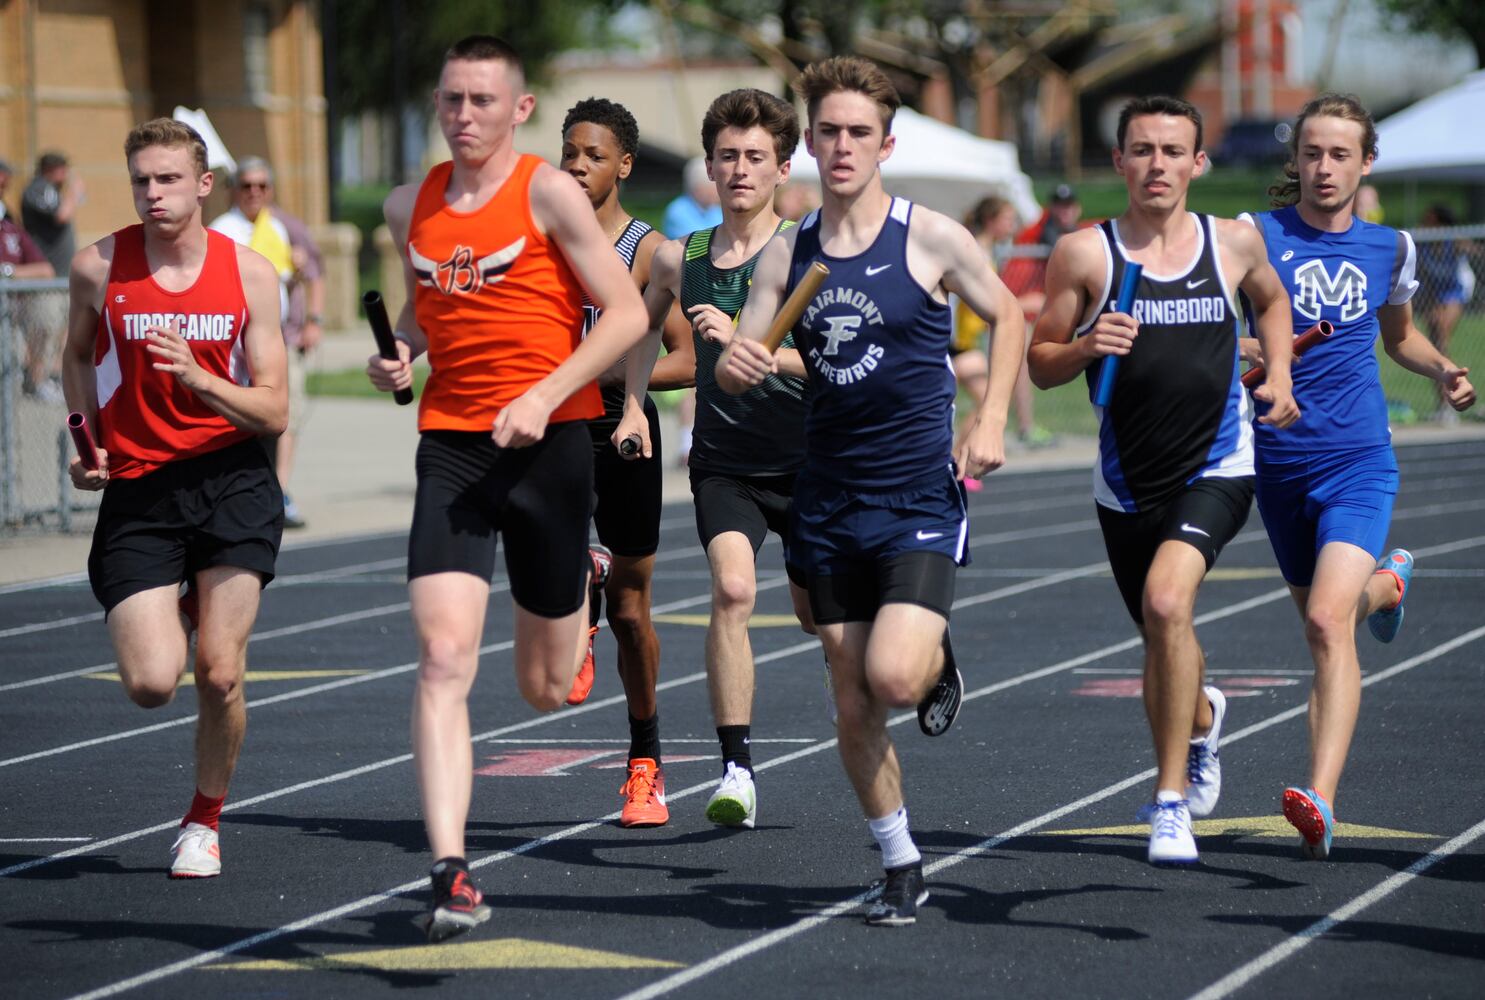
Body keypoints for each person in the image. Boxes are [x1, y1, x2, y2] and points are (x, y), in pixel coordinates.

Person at [716, 57, 1023, 925]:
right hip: (827, 501)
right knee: (849, 691)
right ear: (807, 143)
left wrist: (991, 415)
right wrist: (739, 364)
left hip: (917, 495)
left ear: (885, 143)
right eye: (828, 131)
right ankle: (899, 860)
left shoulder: (928, 237)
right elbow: (747, 359)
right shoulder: (789, 250)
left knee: (891, 676)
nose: (842, 145)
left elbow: (1008, 313)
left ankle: (931, 655)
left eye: (859, 132)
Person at [365, 35, 646, 943]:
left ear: (518, 108)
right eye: (452, 100)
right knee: (444, 657)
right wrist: (401, 351)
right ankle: (449, 871)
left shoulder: (549, 192)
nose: (464, 116)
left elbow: (629, 315)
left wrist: (543, 393)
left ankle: (584, 584)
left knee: (543, 685)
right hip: (451, 447)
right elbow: (424, 304)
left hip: (550, 447)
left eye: (483, 101)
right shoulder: (410, 202)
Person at [1027, 95, 1300, 867]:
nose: (1157, 165)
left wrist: (1276, 372)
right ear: (1117, 162)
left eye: (1172, 151)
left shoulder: (1233, 244)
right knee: (1161, 633)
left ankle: (1169, 800)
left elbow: (1273, 304)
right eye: (1141, 150)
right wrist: (1083, 347)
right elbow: (1039, 362)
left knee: (1165, 601)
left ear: (1197, 162)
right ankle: (1205, 716)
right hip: (1124, 482)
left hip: (1217, 465)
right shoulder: (1085, 254)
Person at [1238, 95, 1475, 860]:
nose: (1324, 167)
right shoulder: (1252, 238)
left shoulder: (1392, 248)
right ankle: (1390, 584)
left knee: (1321, 625)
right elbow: (1213, 332)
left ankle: (1320, 798)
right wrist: (1256, 355)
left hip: (1357, 459)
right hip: (1276, 462)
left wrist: (1441, 369)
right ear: (1295, 161)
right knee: (1328, 621)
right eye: (1312, 153)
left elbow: (1399, 340)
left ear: (1364, 162)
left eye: (1340, 154)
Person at [60, 119, 288, 879]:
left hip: (233, 480)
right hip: (141, 489)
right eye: (140, 181)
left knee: (219, 672)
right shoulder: (98, 267)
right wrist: (83, 440)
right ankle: (185, 603)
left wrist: (200, 379)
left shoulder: (250, 273)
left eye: (166, 179)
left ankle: (203, 821)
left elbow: (274, 410)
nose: (152, 194)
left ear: (202, 184)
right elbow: (72, 353)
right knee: (153, 682)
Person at [615, 87, 816, 834]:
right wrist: (635, 406)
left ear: (781, 167)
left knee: (817, 621)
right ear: (708, 164)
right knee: (731, 590)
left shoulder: (806, 251)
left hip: (808, 465)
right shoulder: (679, 256)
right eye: (727, 156)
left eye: (754, 158)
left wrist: (741, 342)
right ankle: (737, 770)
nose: (739, 170)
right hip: (725, 464)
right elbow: (638, 332)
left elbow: (827, 364)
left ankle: (926, 656)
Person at [558, 96, 693, 827]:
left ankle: (645, 765)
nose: (578, 166)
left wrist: (611, 375)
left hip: (621, 428)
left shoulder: (642, 250)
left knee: (634, 614)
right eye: (570, 152)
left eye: (594, 155)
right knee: (551, 550)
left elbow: (688, 357)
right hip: (557, 422)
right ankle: (580, 576)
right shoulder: (542, 239)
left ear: (624, 166)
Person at [208, 157, 321, 528]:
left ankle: (280, 492)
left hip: (282, 337)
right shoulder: (222, 229)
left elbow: (303, 279)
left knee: (287, 416)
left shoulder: (281, 228)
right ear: (233, 190)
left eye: (261, 186)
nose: (254, 192)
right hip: (236, 344)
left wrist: (311, 319)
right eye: (246, 186)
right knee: (243, 419)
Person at [950, 196, 1042, 492]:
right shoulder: (975, 251)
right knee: (984, 401)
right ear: (991, 220)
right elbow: (981, 302)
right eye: (1007, 218)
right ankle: (954, 462)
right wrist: (1023, 303)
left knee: (980, 401)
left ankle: (955, 462)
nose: (1012, 225)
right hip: (957, 343)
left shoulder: (988, 250)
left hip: (966, 342)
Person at [1414, 204, 1473, 422]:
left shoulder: (1453, 240)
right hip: (1432, 295)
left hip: (1453, 293)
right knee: (1436, 348)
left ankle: (1449, 402)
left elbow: (1474, 250)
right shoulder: (1423, 242)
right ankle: (1442, 403)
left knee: (1441, 340)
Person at [22, 151, 83, 277]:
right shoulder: (39, 187)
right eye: (62, 168)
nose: (66, 173)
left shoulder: (51, 189)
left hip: (59, 273)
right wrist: (74, 192)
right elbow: (61, 216)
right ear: (49, 169)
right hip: (50, 276)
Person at [661, 155, 723, 238]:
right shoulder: (677, 212)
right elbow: (694, 243)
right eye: (713, 186)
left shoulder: (716, 211)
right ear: (697, 188)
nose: (718, 191)